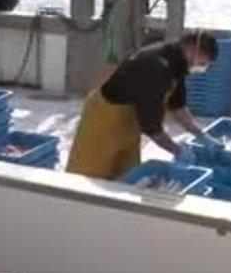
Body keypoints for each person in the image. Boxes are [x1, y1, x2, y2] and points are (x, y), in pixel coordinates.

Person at [65, 30, 222, 180]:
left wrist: (201, 135)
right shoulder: (156, 67)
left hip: (128, 126)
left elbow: (177, 105)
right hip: (103, 122)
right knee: (85, 182)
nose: (202, 67)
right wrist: (177, 150)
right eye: (203, 62)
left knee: (126, 180)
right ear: (192, 49)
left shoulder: (178, 63)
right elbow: (151, 127)